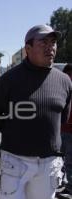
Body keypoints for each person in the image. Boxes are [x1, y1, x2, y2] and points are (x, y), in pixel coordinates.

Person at [0, 25, 72, 199]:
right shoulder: (8, 80)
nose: (50, 47)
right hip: (14, 161)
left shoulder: (65, 81)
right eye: (43, 42)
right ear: (27, 48)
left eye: (53, 42)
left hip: (49, 164)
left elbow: (62, 119)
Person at [57, 63, 72, 199]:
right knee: (61, 158)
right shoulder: (65, 87)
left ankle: (69, 188)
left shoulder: (66, 87)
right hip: (63, 129)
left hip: (68, 130)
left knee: (67, 160)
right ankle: (61, 181)